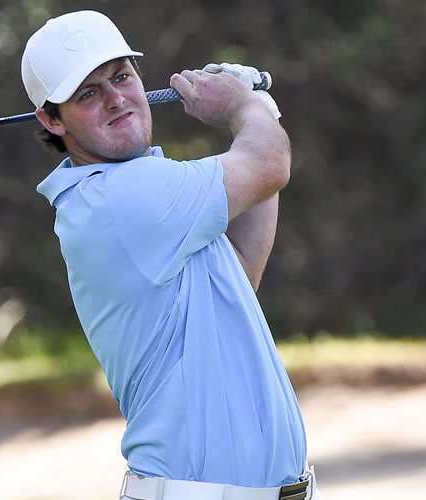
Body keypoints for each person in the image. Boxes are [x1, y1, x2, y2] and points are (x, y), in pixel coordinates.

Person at [22, 10, 318, 500]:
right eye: (88, 94)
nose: (117, 99)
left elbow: (239, 271)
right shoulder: (120, 198)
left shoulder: (144, 201)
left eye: (121, 76)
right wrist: (244, 107)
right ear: (52, 120)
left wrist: (260, 109)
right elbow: (269, 164)